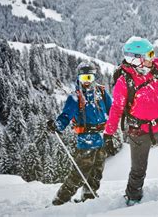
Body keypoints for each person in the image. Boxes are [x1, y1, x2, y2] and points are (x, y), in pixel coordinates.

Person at [102, 14, 158, 206]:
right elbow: (117, 108)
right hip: (138, 130)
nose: (153, 58)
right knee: (138, 169)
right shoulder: (123, 82)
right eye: (149, 55)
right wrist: (108, 133)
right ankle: (133, 198)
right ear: (136, 59)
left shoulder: (157, 68)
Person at [46, 61, 112, 205]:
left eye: (89, 78)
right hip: (86, 139)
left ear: (94, 77)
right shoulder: (75, 97)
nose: (87, 82)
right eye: (83, 79)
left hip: (101, 137)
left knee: (97, 171)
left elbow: (113, 110)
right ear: (79, 78)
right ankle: (60, 200)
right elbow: (66, 115)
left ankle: (89, 197)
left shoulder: (101, 92)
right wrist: (57, 125)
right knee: (79, 173)